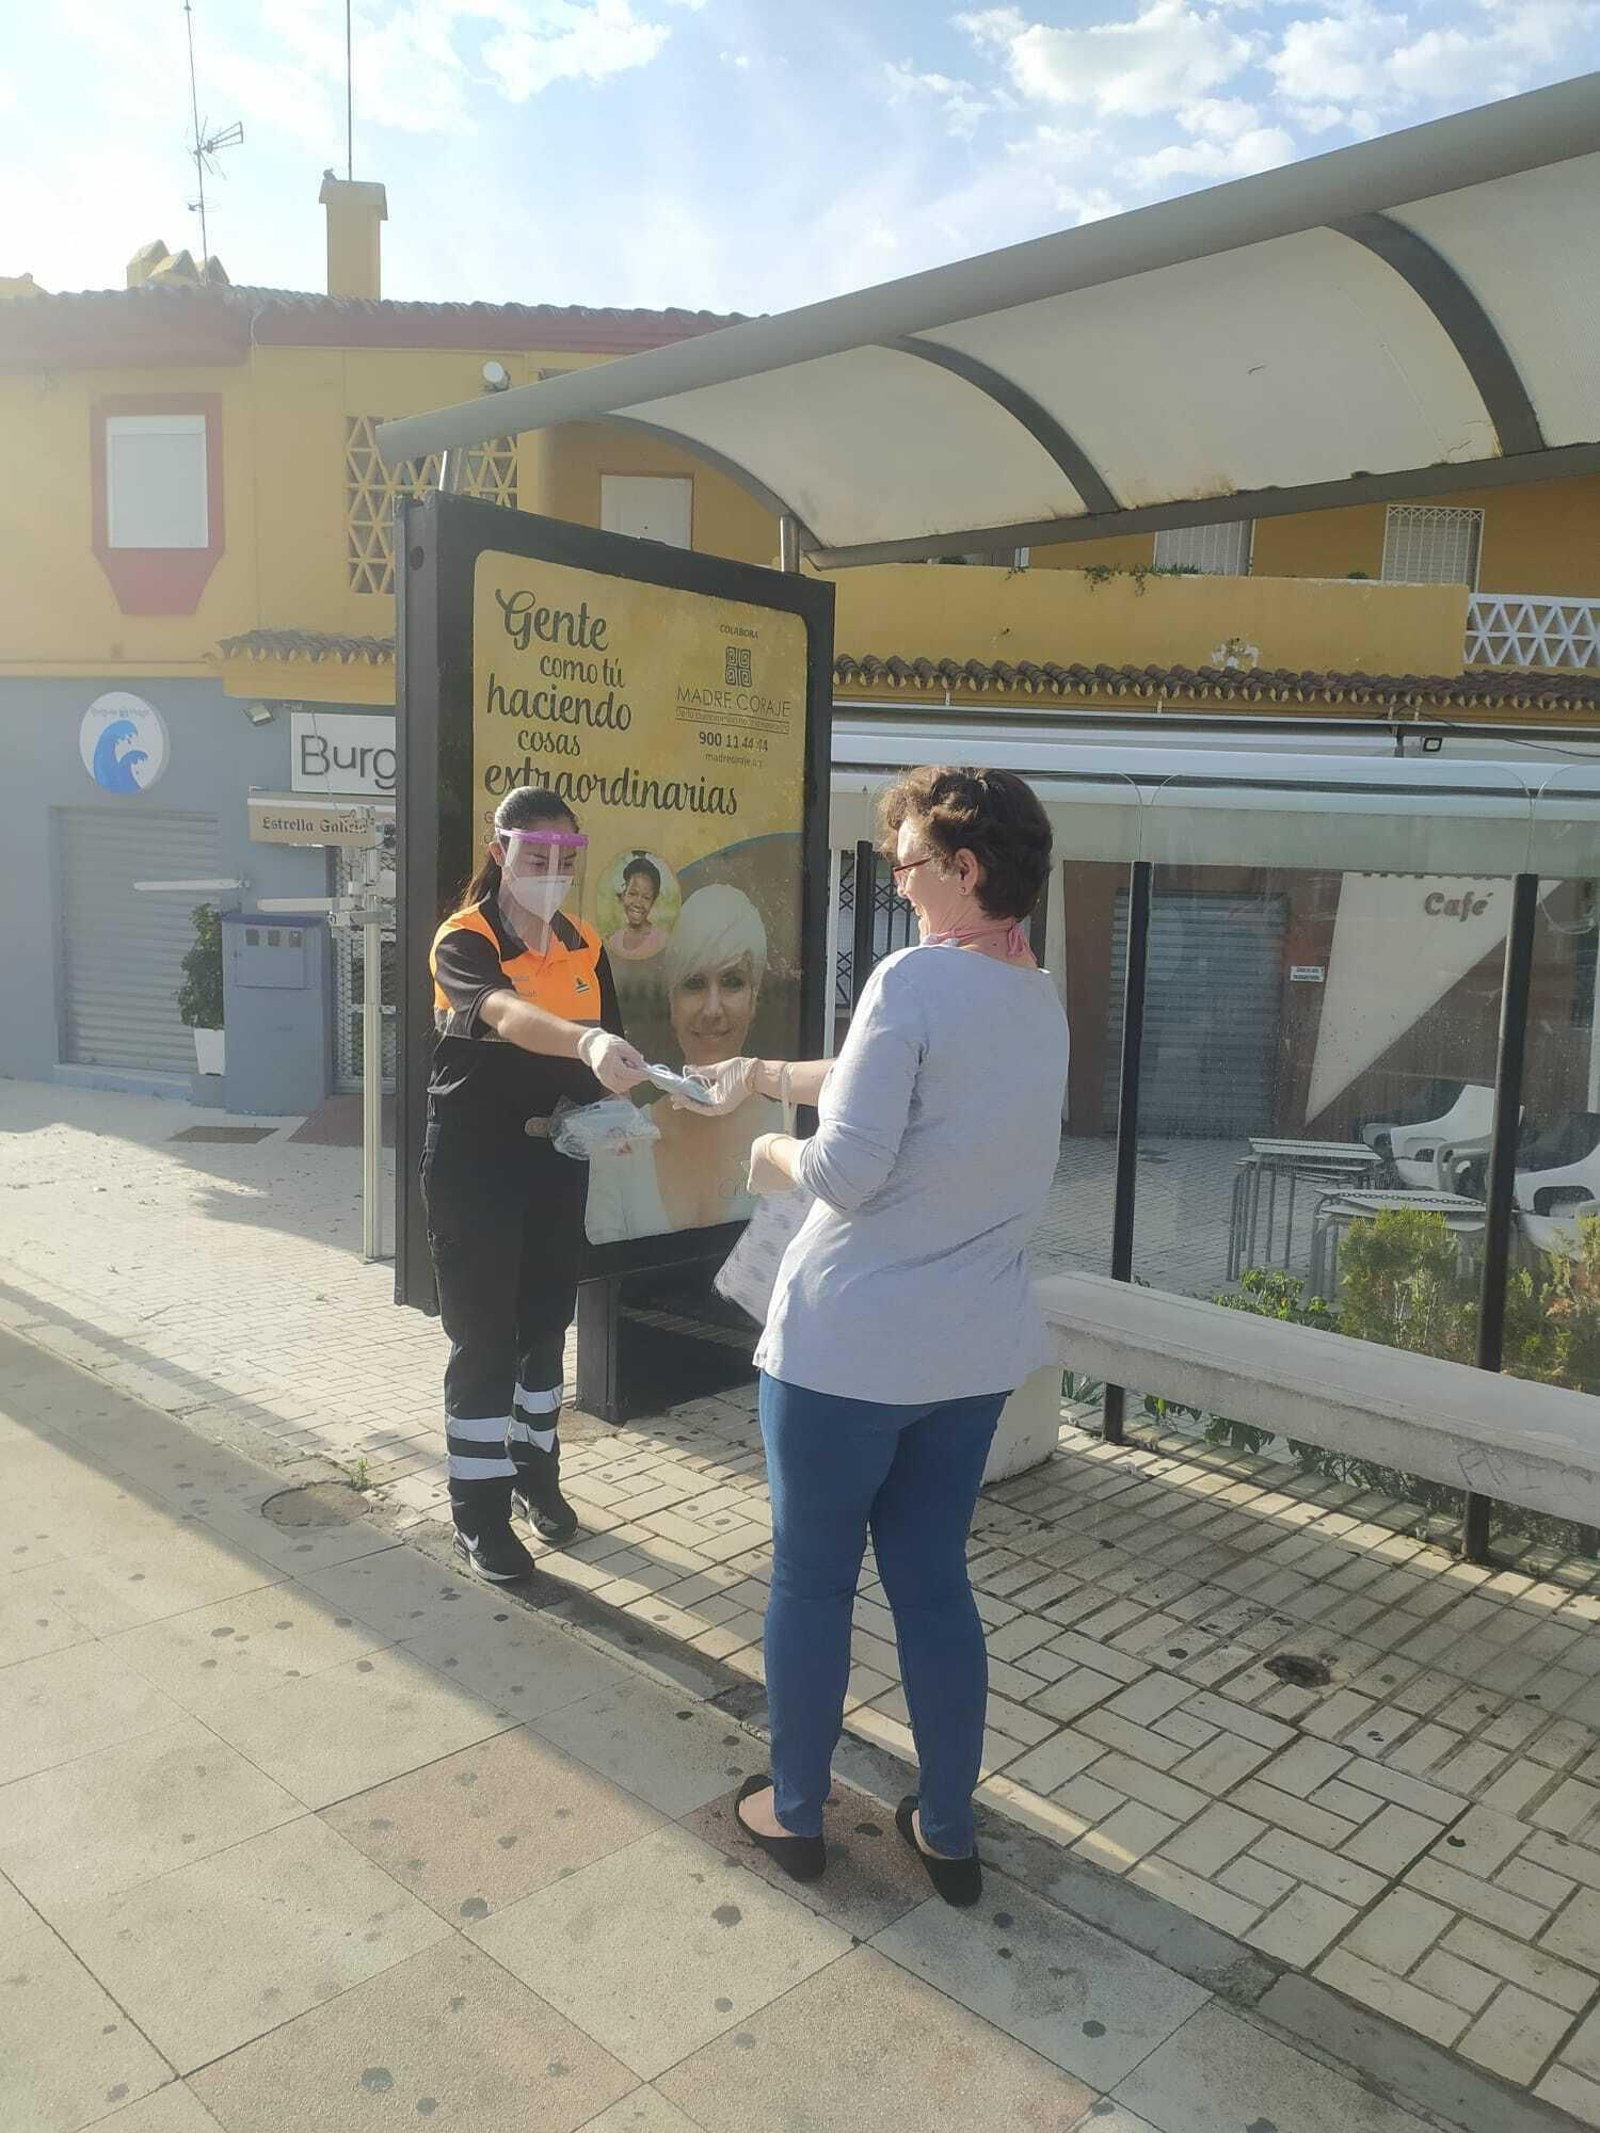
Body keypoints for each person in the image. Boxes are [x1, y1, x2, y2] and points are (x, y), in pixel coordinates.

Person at [682, 767, 1067, 1902]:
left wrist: (765, 1153)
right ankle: (946, 1828)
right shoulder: (1036, 999)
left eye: (906, 864)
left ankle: (794, 1812)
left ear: (966, 867)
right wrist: (758, 1074)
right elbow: (886, 1089)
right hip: (973, 1353)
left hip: (849, 1350)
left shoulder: (910, 981)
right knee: (933, 1584)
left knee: (810, 1580)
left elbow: (845, 1166)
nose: (896, 887)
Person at [425, 786, 649, 1582]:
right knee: (483, 1340)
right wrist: (586, 1041)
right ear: (500, 853)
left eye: (565, 857)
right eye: (533, 855)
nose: (550, 870)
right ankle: (477, 1514)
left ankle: (536, 1477)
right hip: (476, 1167)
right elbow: (508, 1016)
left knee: (546, 1327)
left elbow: (609, 1059)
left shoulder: (587, 944)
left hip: (558, 1163)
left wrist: (620, 1104)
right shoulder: (466, 937)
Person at [585, 884, 782, 1242]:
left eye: (733, 982)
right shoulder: (624, 1146)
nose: (712, 1009)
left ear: (755, 999)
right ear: (671, 1003)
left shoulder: (792, 1134)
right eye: (694, 984)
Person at [606, 853, 670, 962]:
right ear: (623, 894)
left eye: (646, 897)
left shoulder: (662, 940)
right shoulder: (614, 941)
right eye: (632, 894)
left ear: (653, 901)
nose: (637, 903)